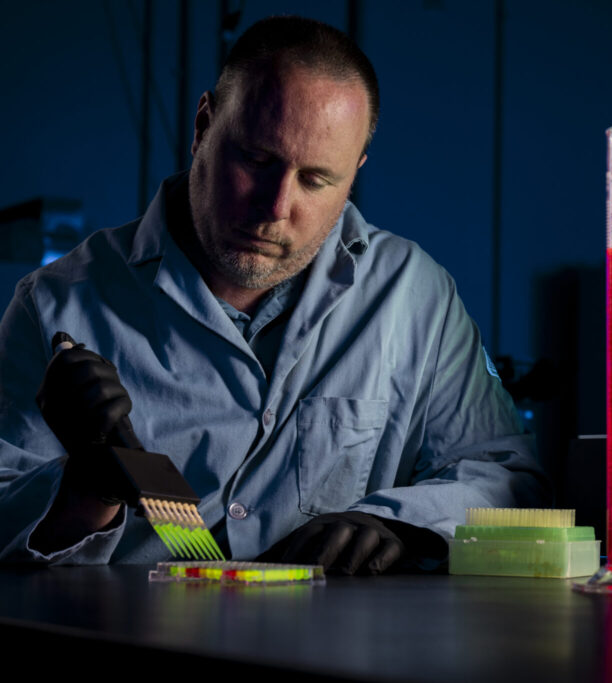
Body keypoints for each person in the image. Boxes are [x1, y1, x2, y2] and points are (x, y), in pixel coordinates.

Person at [0, 16, 547, 573]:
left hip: (325, 655)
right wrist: (85, 492)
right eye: (256, 161)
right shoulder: (57, 303)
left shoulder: (414, 295)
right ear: (203, 125)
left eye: (315, 180)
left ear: (354, 173)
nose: (275, 207)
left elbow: (507, 477)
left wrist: (395, 521)